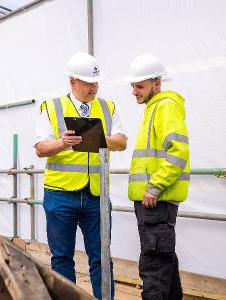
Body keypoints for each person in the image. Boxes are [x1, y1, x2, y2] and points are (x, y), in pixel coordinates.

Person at [34, 52, 127, 299]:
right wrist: (62, 143)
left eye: (96, 83)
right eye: (88, 83)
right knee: (62, 257)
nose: (93, 88)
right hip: (60, 195)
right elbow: (41, 148)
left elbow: (121, 142)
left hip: (97, 195)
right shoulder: (51, 107)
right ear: (72, 82)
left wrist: (99, 139)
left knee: (101, 257)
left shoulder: (107, 107)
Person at [125, 53, 190, 300]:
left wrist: (154, 187)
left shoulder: (165, 106)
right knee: (165, 264)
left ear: (156, 83)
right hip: (154, 204)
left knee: (153, 267)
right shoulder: (154, 108)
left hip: (156, 202)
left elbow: (179, 151)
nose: (134, 91)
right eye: (133, 86)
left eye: (139, 86)